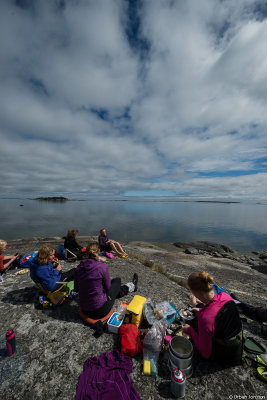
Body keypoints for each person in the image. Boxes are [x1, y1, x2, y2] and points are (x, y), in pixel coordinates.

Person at [182, 271, 243, 365]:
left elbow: (205, 353)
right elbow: (218, 311)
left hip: (225, 354)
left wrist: (190, 331)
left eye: (192, 291)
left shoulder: (205, 319)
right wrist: (201, 310)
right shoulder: (225, 296)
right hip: (238, 345)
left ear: (198, 293)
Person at [74, 242, 138, 319]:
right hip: (100, 310)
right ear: (98, 252)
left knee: (110, 290)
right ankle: (132, 286)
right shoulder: (101, 267)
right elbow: (108, 288)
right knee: (117, 281)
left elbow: (76, 289)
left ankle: (131, 287)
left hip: (84, 309)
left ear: (87, 254)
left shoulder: (79, 268)